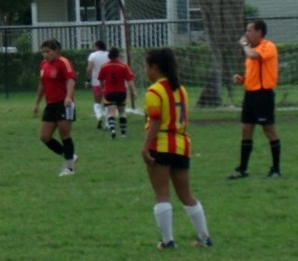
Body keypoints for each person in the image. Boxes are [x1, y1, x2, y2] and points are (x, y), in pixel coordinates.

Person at [142, 48, 212, 249]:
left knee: (162, 194)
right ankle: (204, 238)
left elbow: (155, 121)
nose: (146, 71)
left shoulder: (154, 91)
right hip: (181, 145)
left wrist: (145, 147)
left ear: (155, 68)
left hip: (161, 144)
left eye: (147, 67)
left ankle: (168, 241)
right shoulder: (181, 89)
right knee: (186, 195)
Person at [228, 19, 281, 179]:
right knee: (246, 130)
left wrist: (244, 45)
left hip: (263, 95)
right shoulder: (252, 49)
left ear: (259, 32)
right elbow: (255, 73)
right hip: (250, 95)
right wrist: (243, 79)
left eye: (249, 31)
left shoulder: (267, 46)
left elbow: (253, 56)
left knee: (269, 129)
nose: (247, 34)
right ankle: (242, 169)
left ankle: (276, 169)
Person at [33, 39, 78, 177]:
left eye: (48, 51)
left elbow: (71, 80)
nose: (45, 55)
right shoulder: (43, 64)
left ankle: (69, 168)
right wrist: (37, 103)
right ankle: (69, 155)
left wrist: (69, 97)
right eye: (43, 52)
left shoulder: (63, 62)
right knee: (45, 136)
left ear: (56, 51)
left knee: (65, 134)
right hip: (51, 104)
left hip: (64, 103)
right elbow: (42, 84)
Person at [97, 47, 137, 139]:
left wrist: (103, 88)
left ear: (109, 56)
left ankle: (113, 130)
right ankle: (123, 133)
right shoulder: (123, 66)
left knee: (111, 112)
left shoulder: (104, 66)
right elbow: (130, 79)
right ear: (118, 55)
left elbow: (101, 79)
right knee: (122, 112)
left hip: (109, 92)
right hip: (121, 92)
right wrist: (134, 91)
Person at [86, 40, 110, 129]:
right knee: (107, 101)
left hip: (96, 81)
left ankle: (99, 116)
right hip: (108, 82)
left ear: (96, 46)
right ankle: (108, 123)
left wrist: (88, 80)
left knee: (97, 101)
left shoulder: (93, 55)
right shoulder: (108, 55)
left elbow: (89, 69)